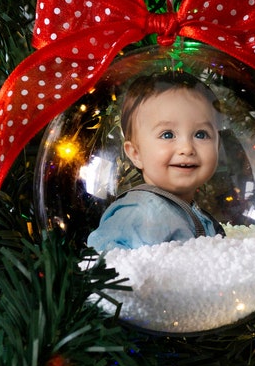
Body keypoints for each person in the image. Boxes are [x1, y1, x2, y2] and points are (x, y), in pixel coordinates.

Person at [87, 73, 225, 251]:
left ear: (217, 144)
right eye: (167, 134)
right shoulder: (142, 212)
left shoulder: (185, 210)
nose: (187, 148)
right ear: (136, 153)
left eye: (201, 134)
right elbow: (102, 263)